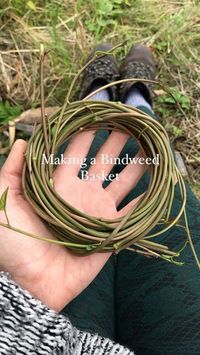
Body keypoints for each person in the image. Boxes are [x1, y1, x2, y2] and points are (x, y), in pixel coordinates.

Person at [0, 44, 199, 355]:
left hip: (30, 321)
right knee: (152, 167)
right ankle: (136, 101)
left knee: (80, 151)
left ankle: (99, 98)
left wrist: (23, 295)